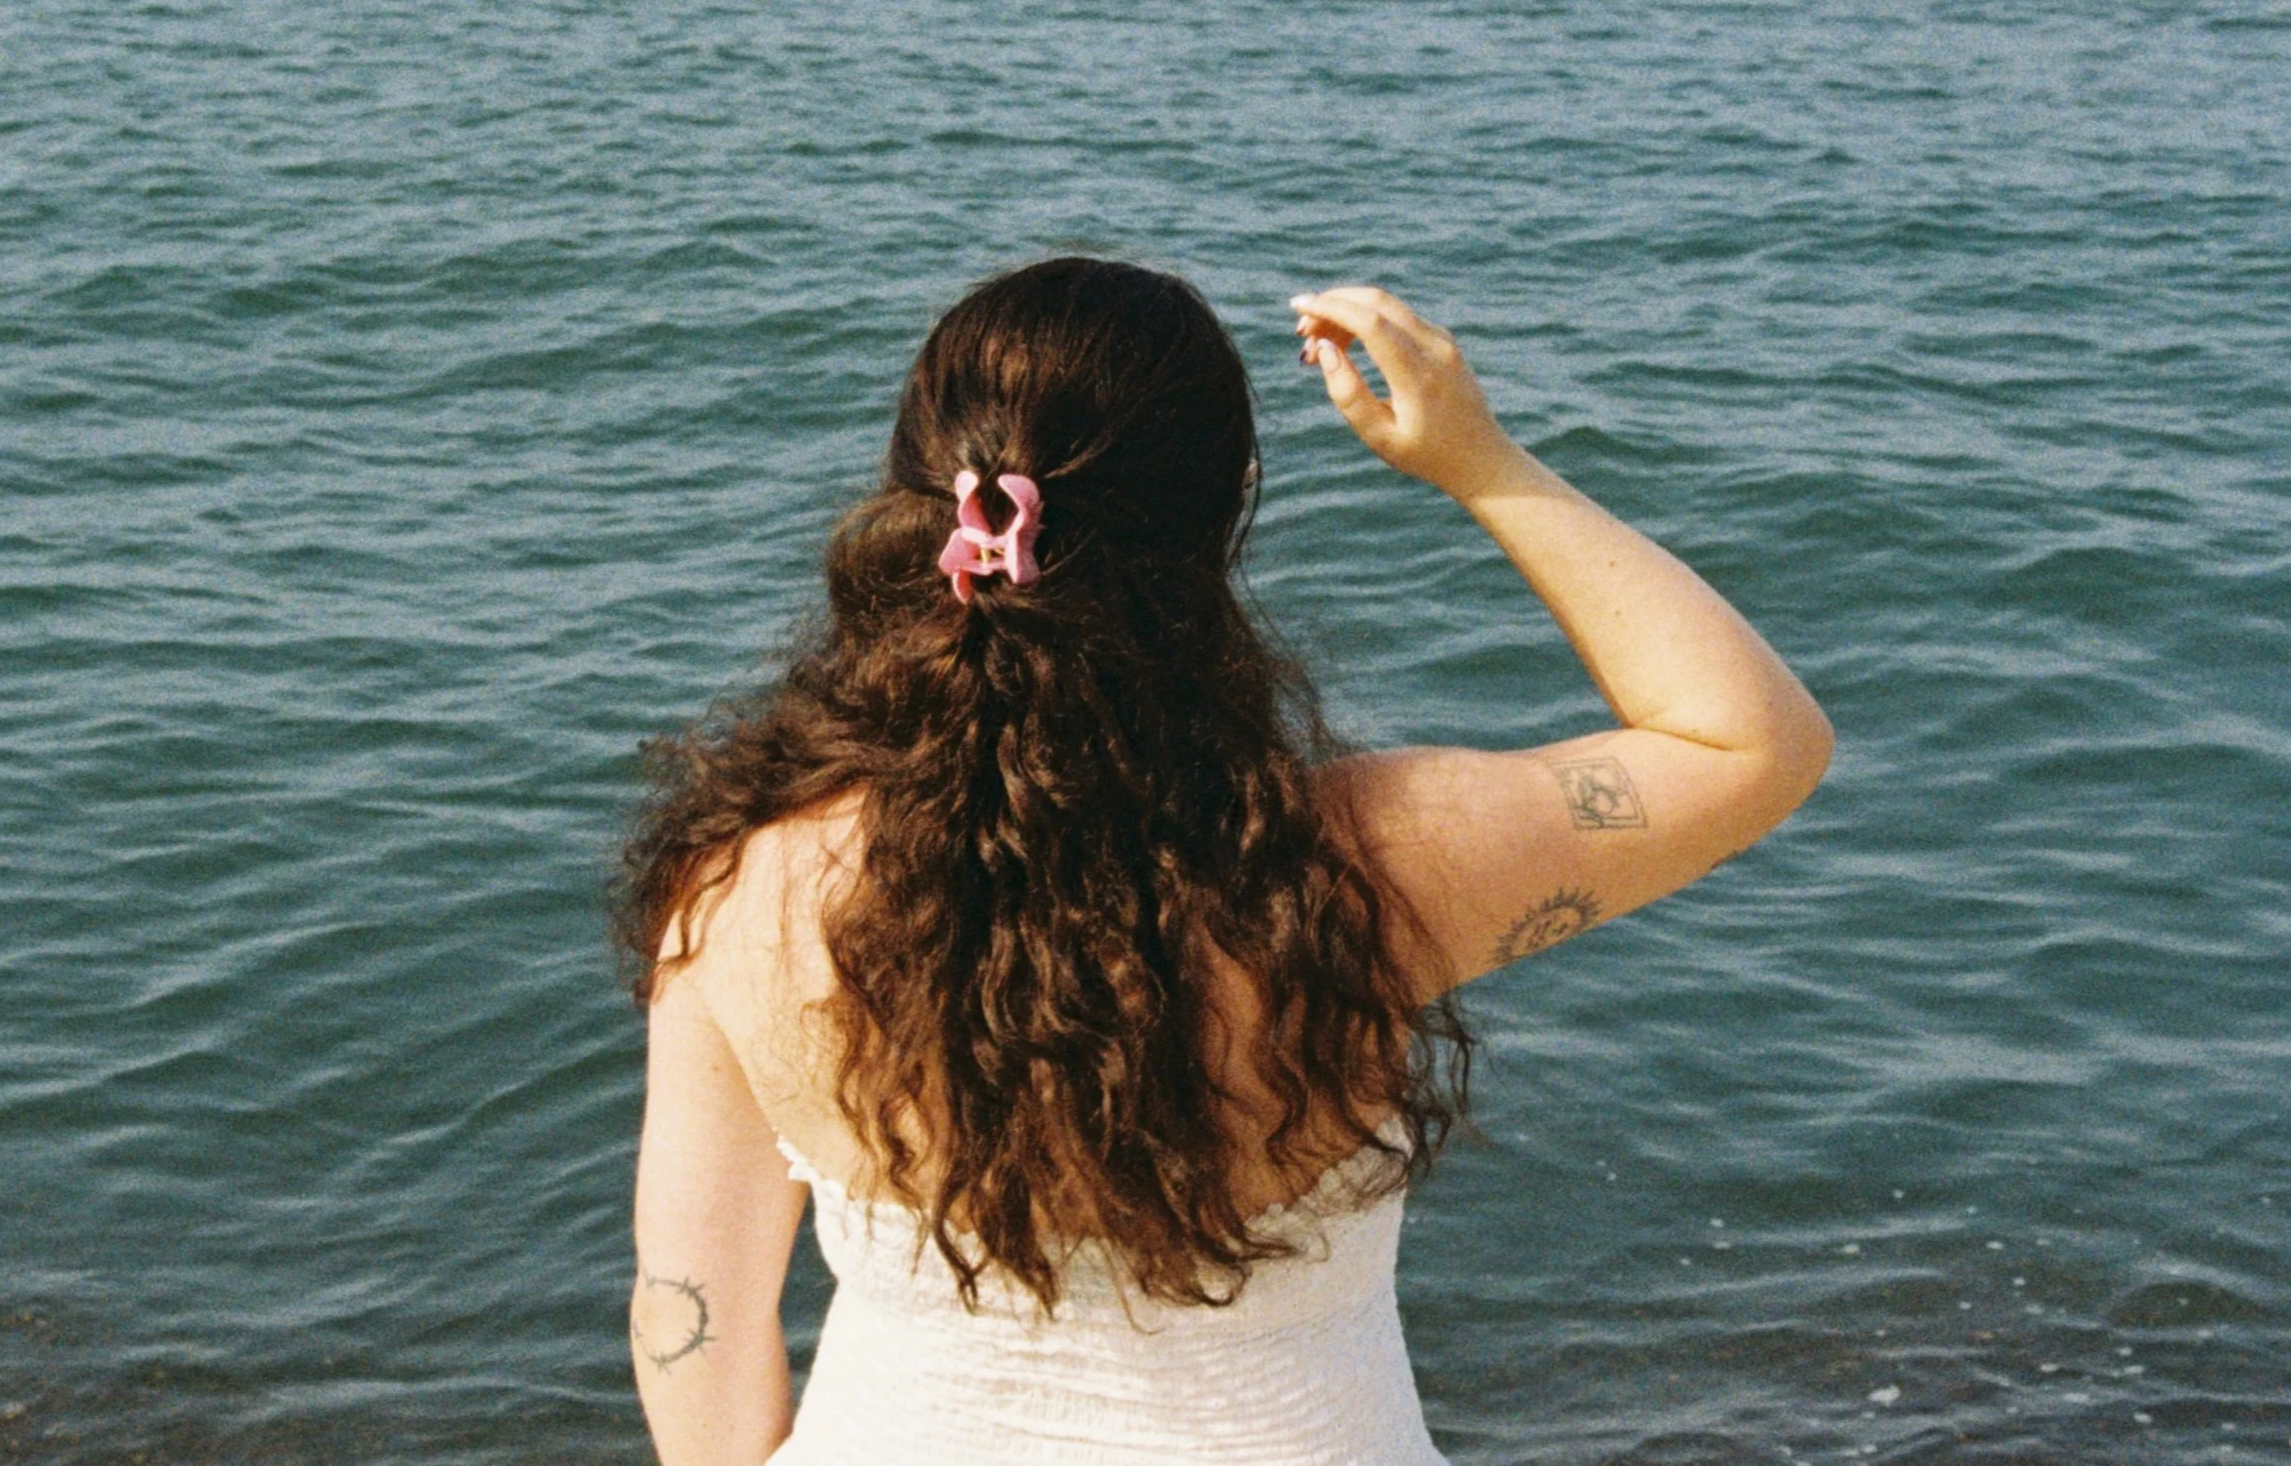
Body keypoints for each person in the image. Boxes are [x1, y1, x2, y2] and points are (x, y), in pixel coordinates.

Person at [615, 260, 1833, 1465]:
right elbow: (1750, 738)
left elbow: (693, 1326)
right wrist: (1480, 461)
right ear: (1225, 513)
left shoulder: (739, 891)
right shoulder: (1356, 869)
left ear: (920, 495)